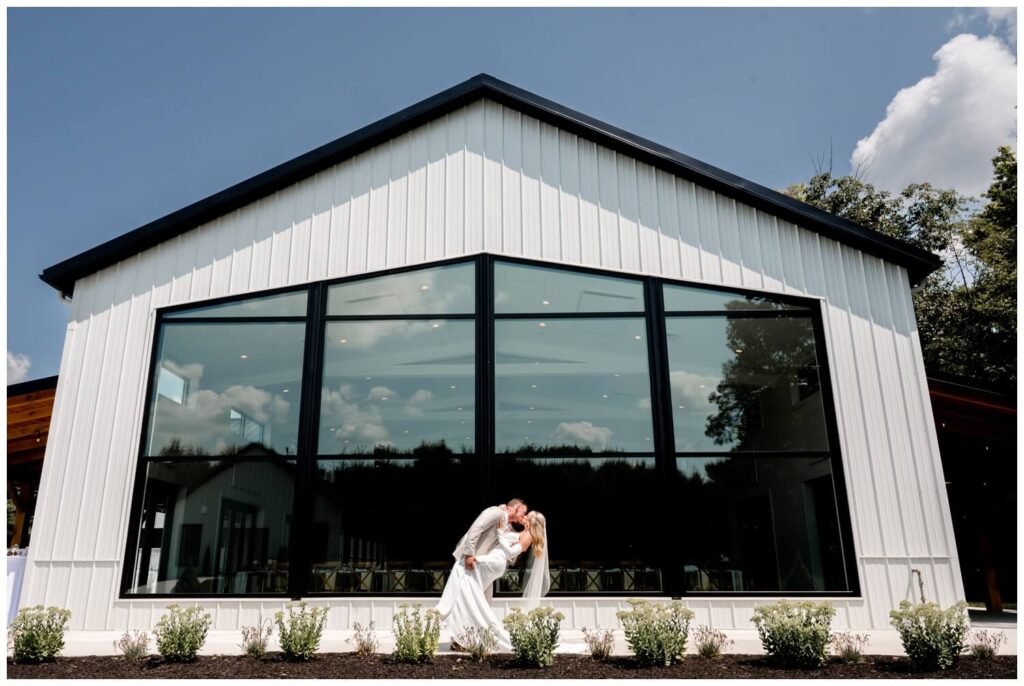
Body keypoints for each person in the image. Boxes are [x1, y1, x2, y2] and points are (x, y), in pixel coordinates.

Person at [437, 508, 549, 651]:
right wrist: (502, 530)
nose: (524, 517)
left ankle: (449, 610)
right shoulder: (521, 532)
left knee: (461, 568)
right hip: (494, 559)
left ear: (532, 521)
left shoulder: (528, 536)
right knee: (470, 593)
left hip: (496, 561)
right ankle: (463, 634)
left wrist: (500, 535)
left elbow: (512, 552)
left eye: (527, 516)